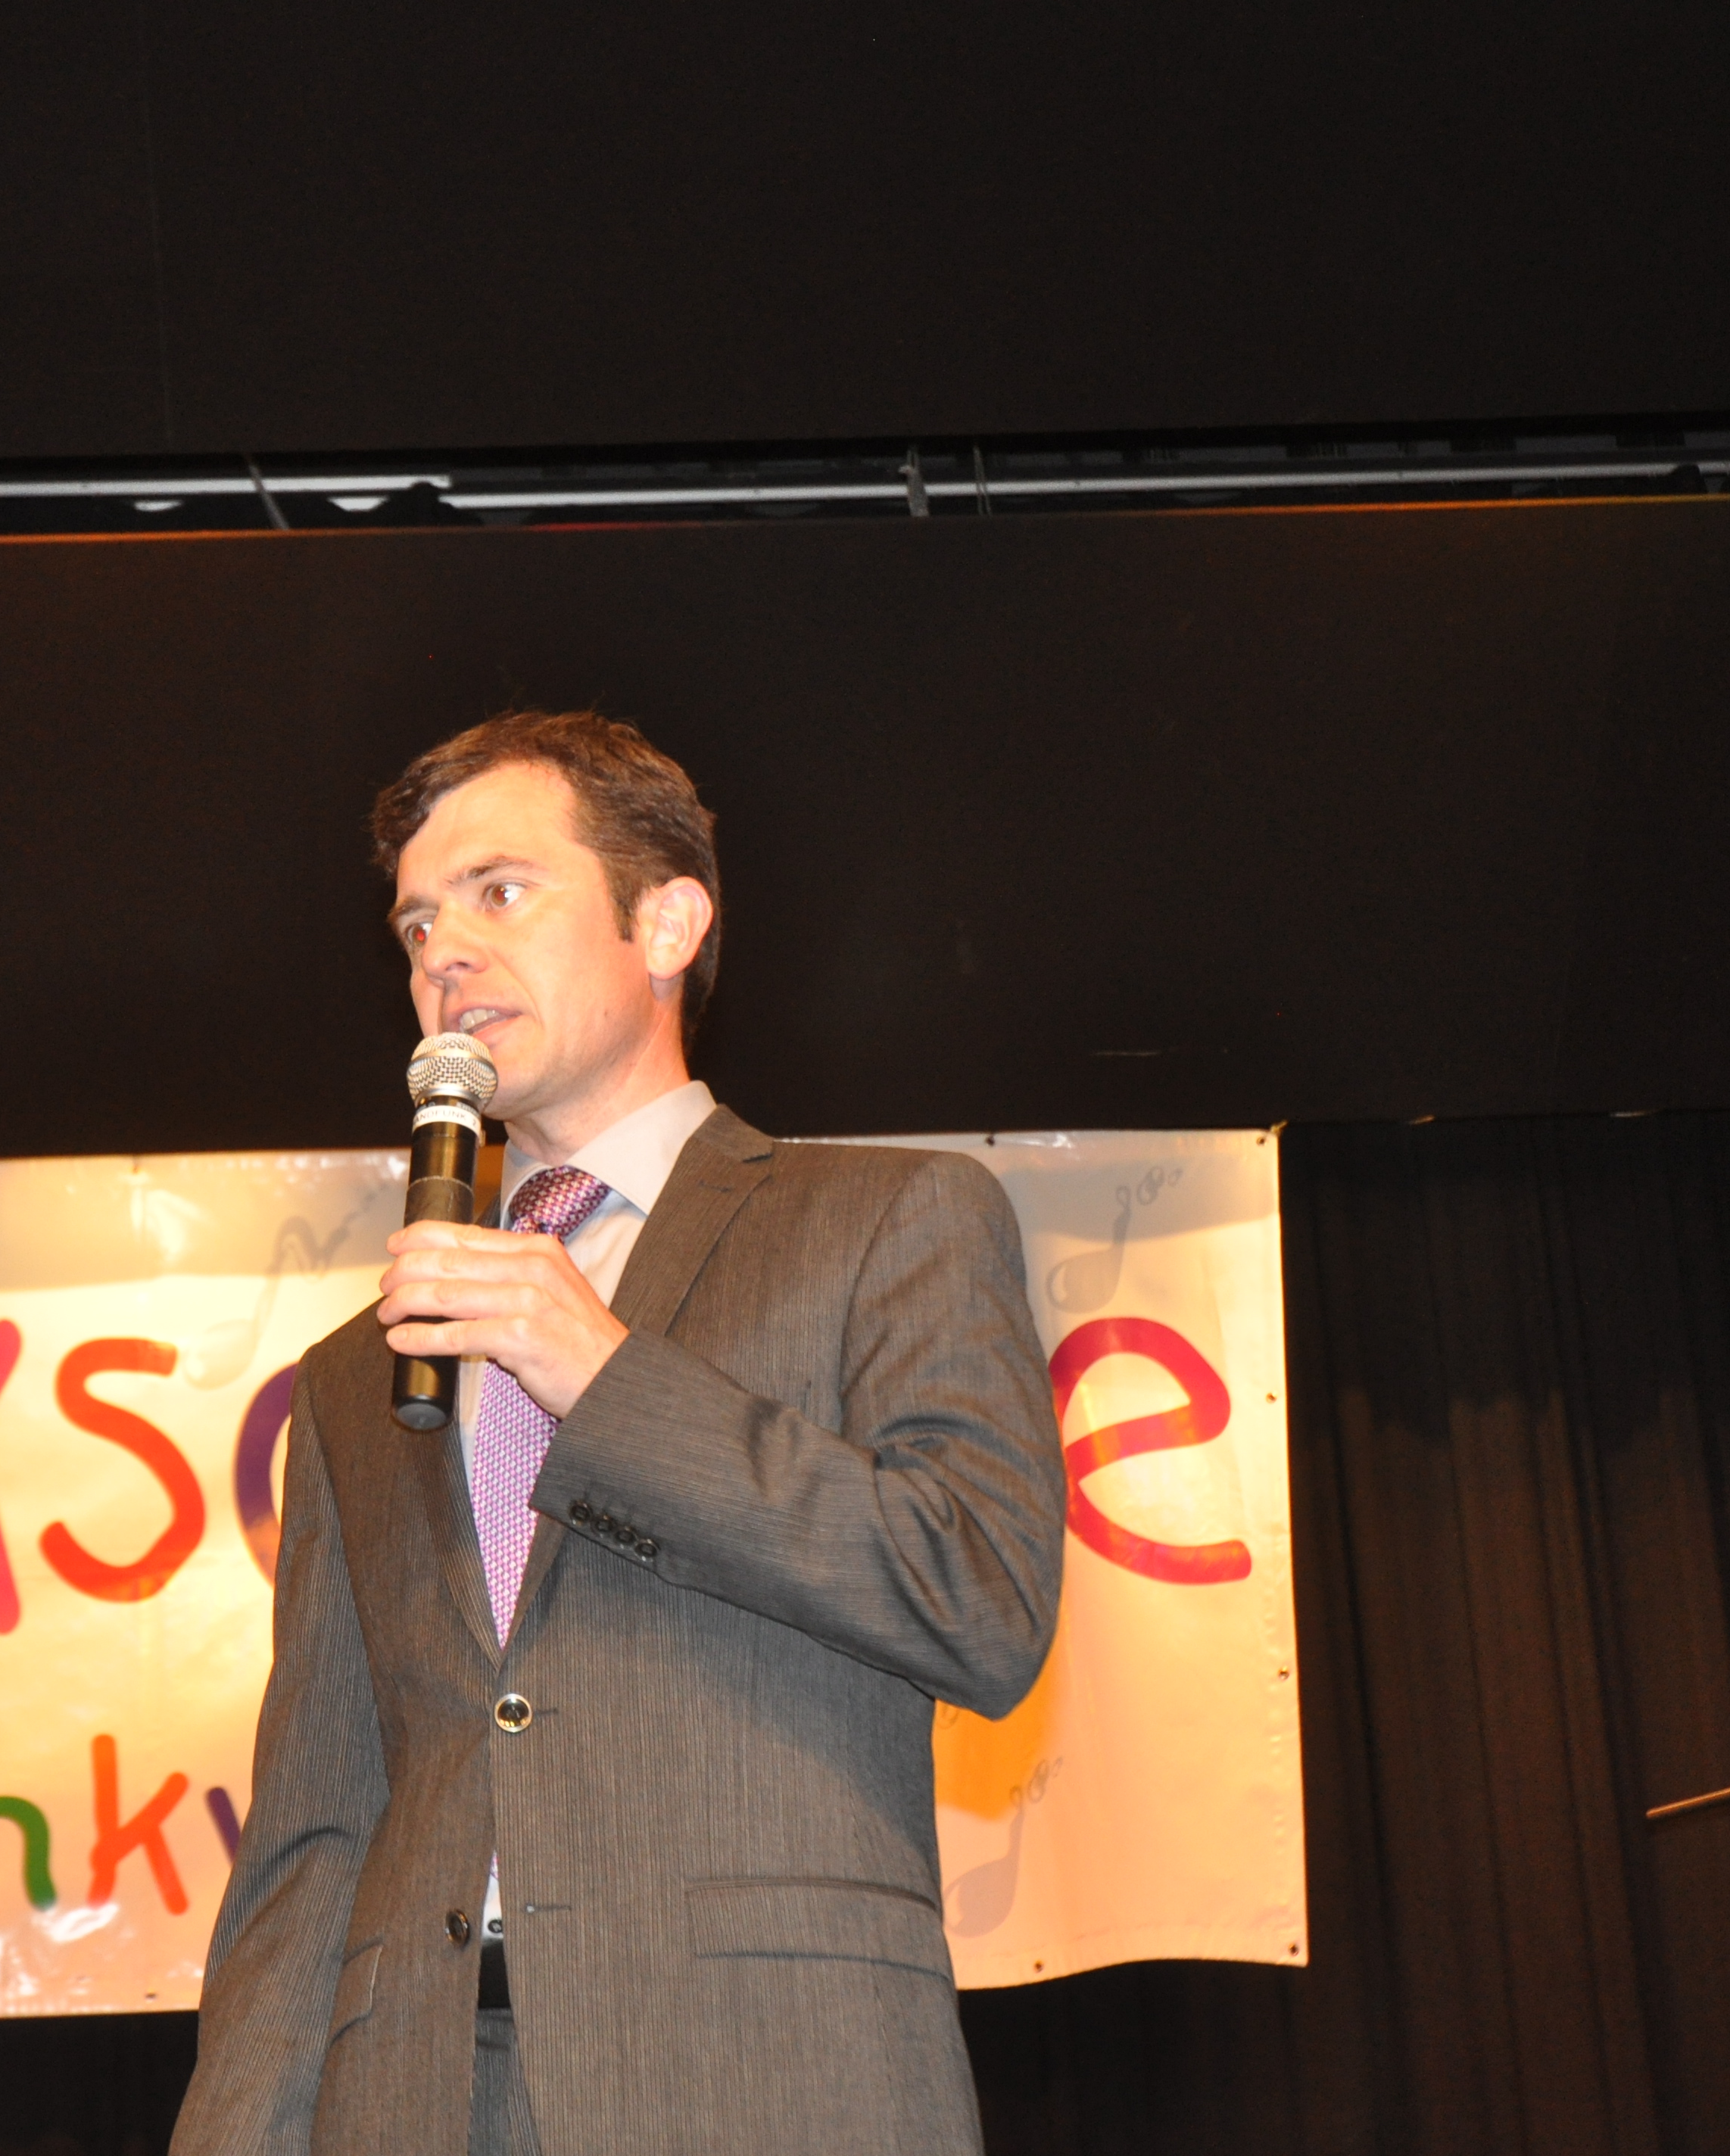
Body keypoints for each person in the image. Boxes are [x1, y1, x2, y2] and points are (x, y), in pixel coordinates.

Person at [173, 711, 1069, 2156]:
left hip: (765, 2077)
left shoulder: (886, 1220)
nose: (444, 953)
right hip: (412, 2096)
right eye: (416, 923)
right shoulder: (359, 1371)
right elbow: (315, 1824)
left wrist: (604, 1375)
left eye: (498, 891)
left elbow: (980, 1596)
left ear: (666, 923)